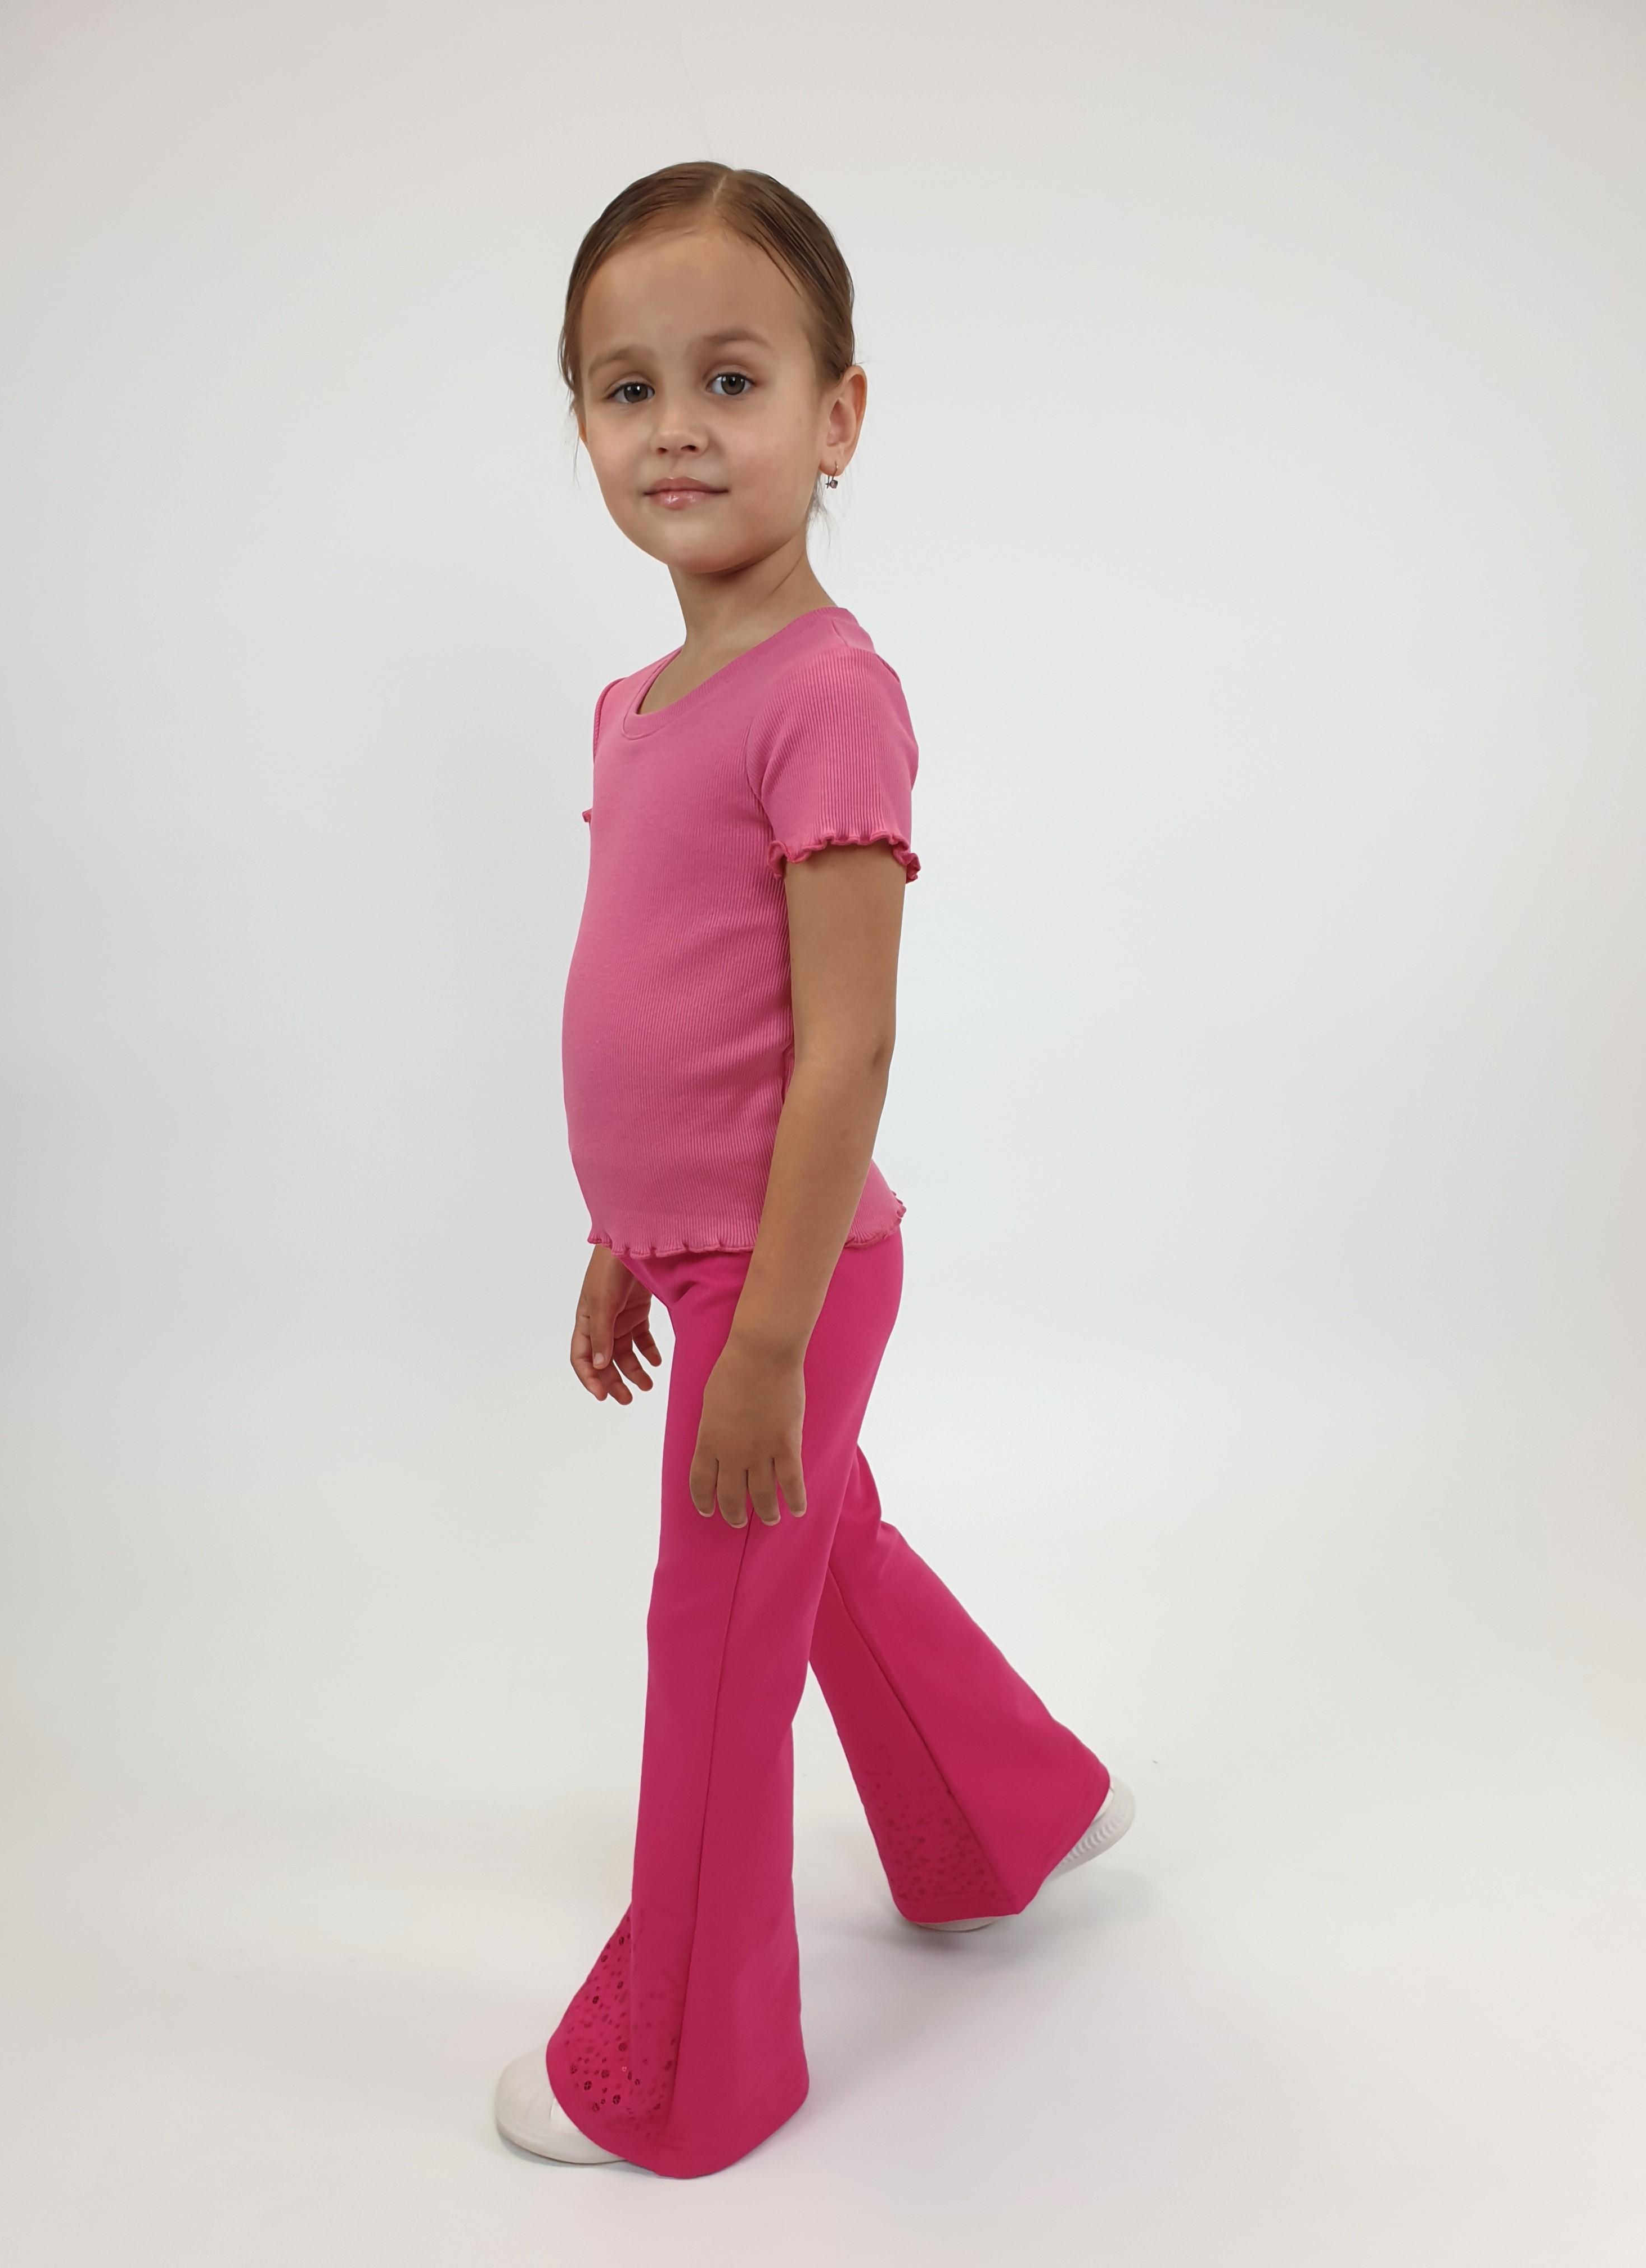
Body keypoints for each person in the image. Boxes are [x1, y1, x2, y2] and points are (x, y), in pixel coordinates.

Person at [493, 161, 1133, 2181]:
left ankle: (691, 2066)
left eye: (734, 379)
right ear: (583, 425)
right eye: (628, 388)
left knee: (715, 1651)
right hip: (691, 1257)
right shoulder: (634, 705)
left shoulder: (833, 698)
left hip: (791, 1274)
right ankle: (1007, 1809)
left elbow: (843, 1048)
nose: (678, 428)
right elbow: (668, 1008)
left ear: (837, 415)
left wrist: (763, 1336)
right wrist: (621, 1238)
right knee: (825, 1561)